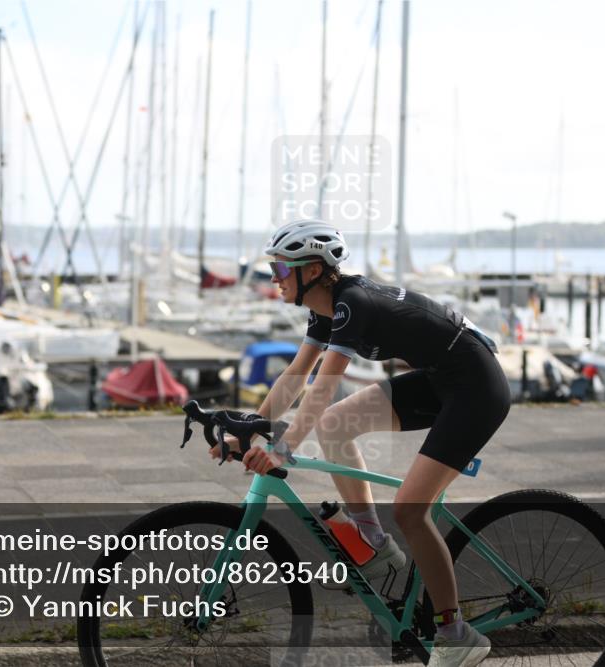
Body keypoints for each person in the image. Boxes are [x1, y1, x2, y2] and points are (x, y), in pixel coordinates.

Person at [209, 219, 511, 667]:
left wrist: (283, 448)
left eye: (281, 268)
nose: (274, 277)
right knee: (334, 427)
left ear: (312, 270)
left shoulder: (352, 304)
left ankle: (455, 631)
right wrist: (250, 429)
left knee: (411, 508)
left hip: (476, 387)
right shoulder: (324, 309)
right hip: (439, 379)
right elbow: (296, 376)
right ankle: (373, 543)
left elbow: (324, 385)